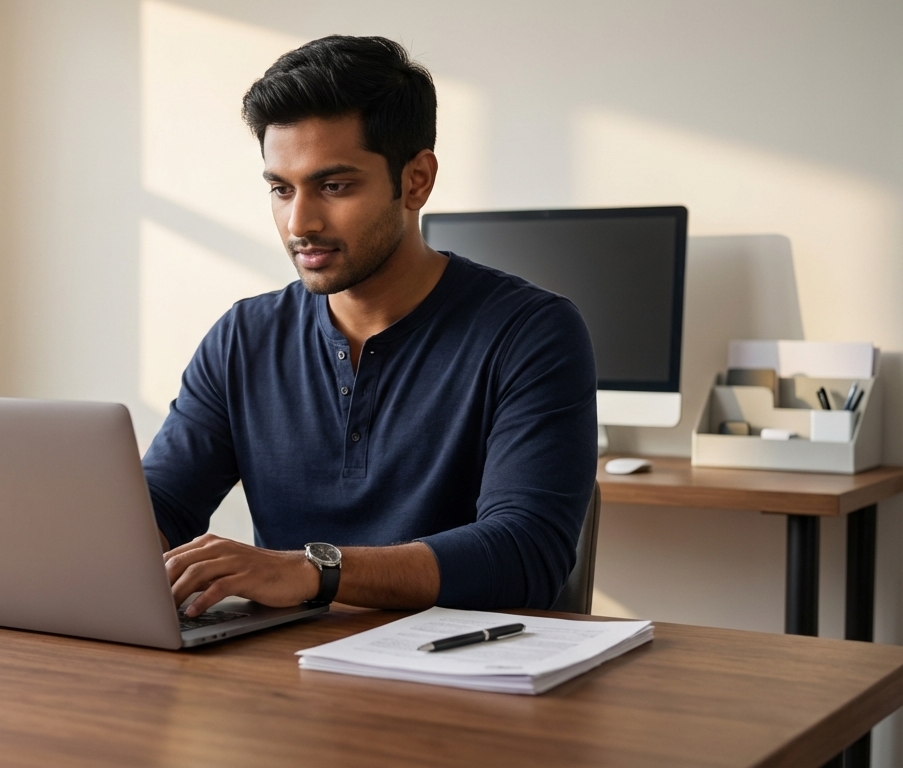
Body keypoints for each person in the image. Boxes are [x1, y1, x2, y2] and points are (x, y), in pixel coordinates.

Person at [144, 35, 597, 619]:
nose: (298, 222)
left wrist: (312, 571)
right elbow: (159, 507)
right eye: (281, 189)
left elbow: (526, 555)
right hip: (284, 678)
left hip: (465, 681)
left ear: (416, 180)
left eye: (334, 186)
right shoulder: (244, 337)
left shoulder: (532, 332)